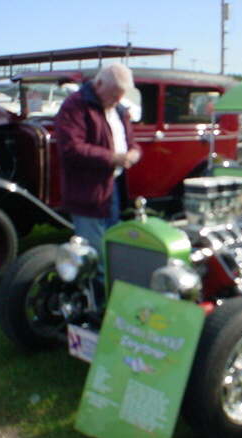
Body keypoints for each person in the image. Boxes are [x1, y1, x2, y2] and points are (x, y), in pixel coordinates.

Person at [55, 63, 141, 297]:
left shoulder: (119, 109)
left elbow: (130, 142)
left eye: (121, 96)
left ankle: (111, 296)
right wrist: (113, 158)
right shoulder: (75, 106)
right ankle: (95, 304)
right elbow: (71, 148)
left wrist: (133, 153)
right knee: (94, 252)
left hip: (113, 188)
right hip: (87, 191)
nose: (116, 100)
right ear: (99, 83)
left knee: (112, 246)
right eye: (114, 95)